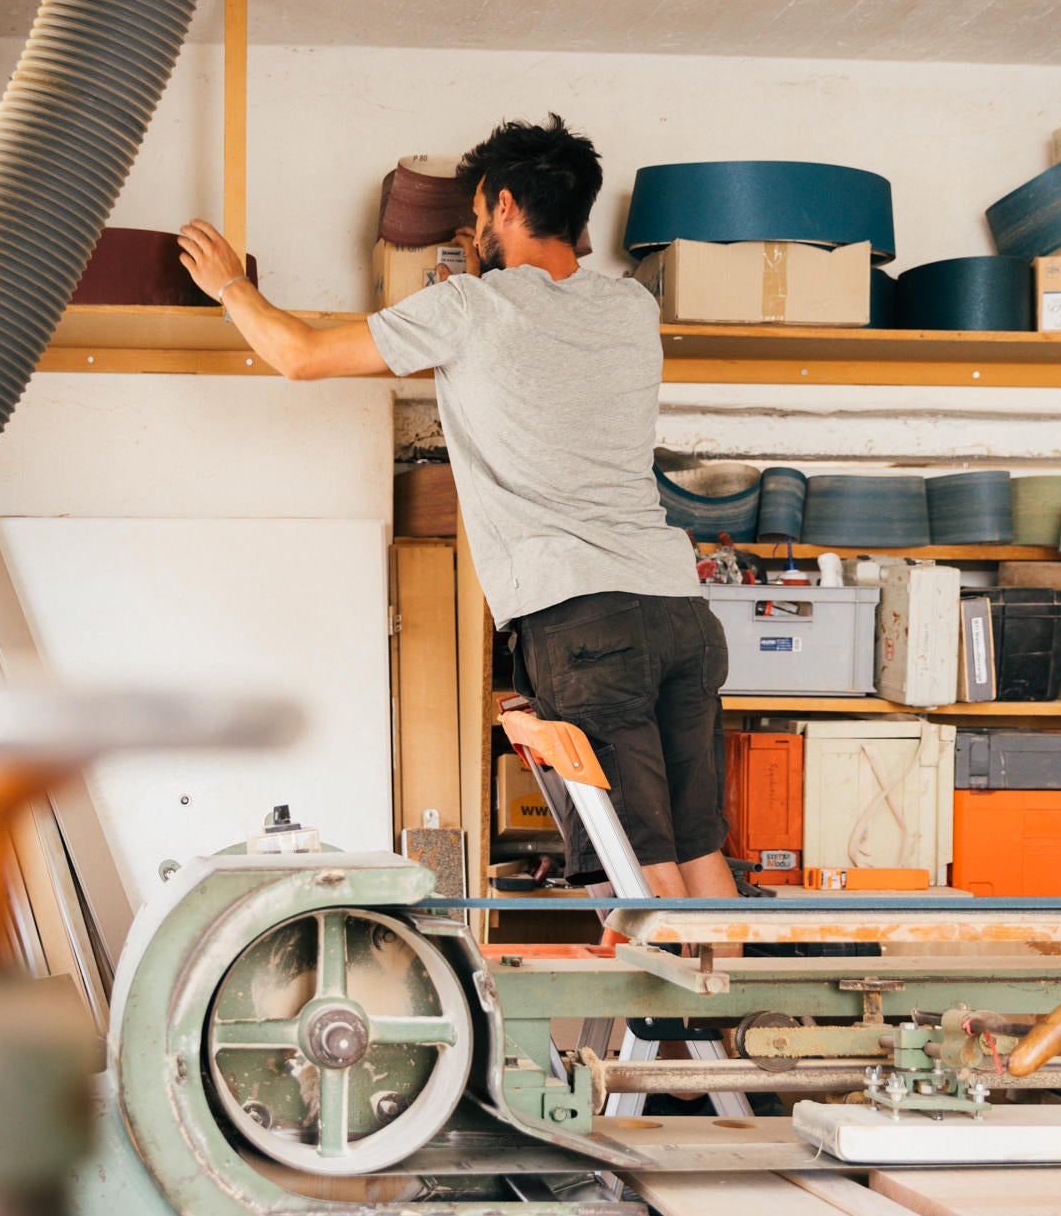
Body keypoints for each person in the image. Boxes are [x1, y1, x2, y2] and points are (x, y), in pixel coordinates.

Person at [177, 114, 736, 900]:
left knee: (640, 872)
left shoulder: (470, 308)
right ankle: (751, 1017)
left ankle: (685, 1018)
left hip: (585, 623)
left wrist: (231, 284)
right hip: (680, 612)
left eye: (476, 216)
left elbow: (298, 356)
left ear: (504, 206)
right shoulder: (631, 311)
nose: (473, 232)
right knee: (699, 849)